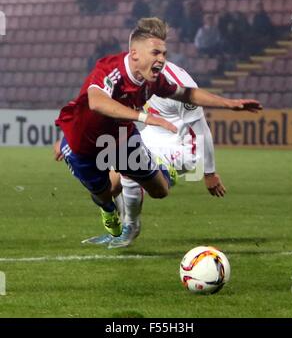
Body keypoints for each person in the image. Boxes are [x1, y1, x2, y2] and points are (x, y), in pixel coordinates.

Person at [55, 17, 262, 242]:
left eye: (164, 54)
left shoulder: (156, 80)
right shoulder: (110, 70)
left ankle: (140, 205)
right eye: (156, 53)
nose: (161, 59)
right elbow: (95, 102)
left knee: (160, 191)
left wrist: (228, 104)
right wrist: (145, 117)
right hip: (86, 143)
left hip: (132, 139)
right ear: (134, 53)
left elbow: (189, 96)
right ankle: (112, 214)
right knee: (106, 192)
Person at [81, 61, 227, 249]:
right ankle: (115, 232)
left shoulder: (179, 85)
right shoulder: (132, 76)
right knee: (108, 183)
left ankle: (131, 227)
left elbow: (202, 130)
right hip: (152, 135)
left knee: (130, 164)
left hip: (182, 146)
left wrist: (209, 173)